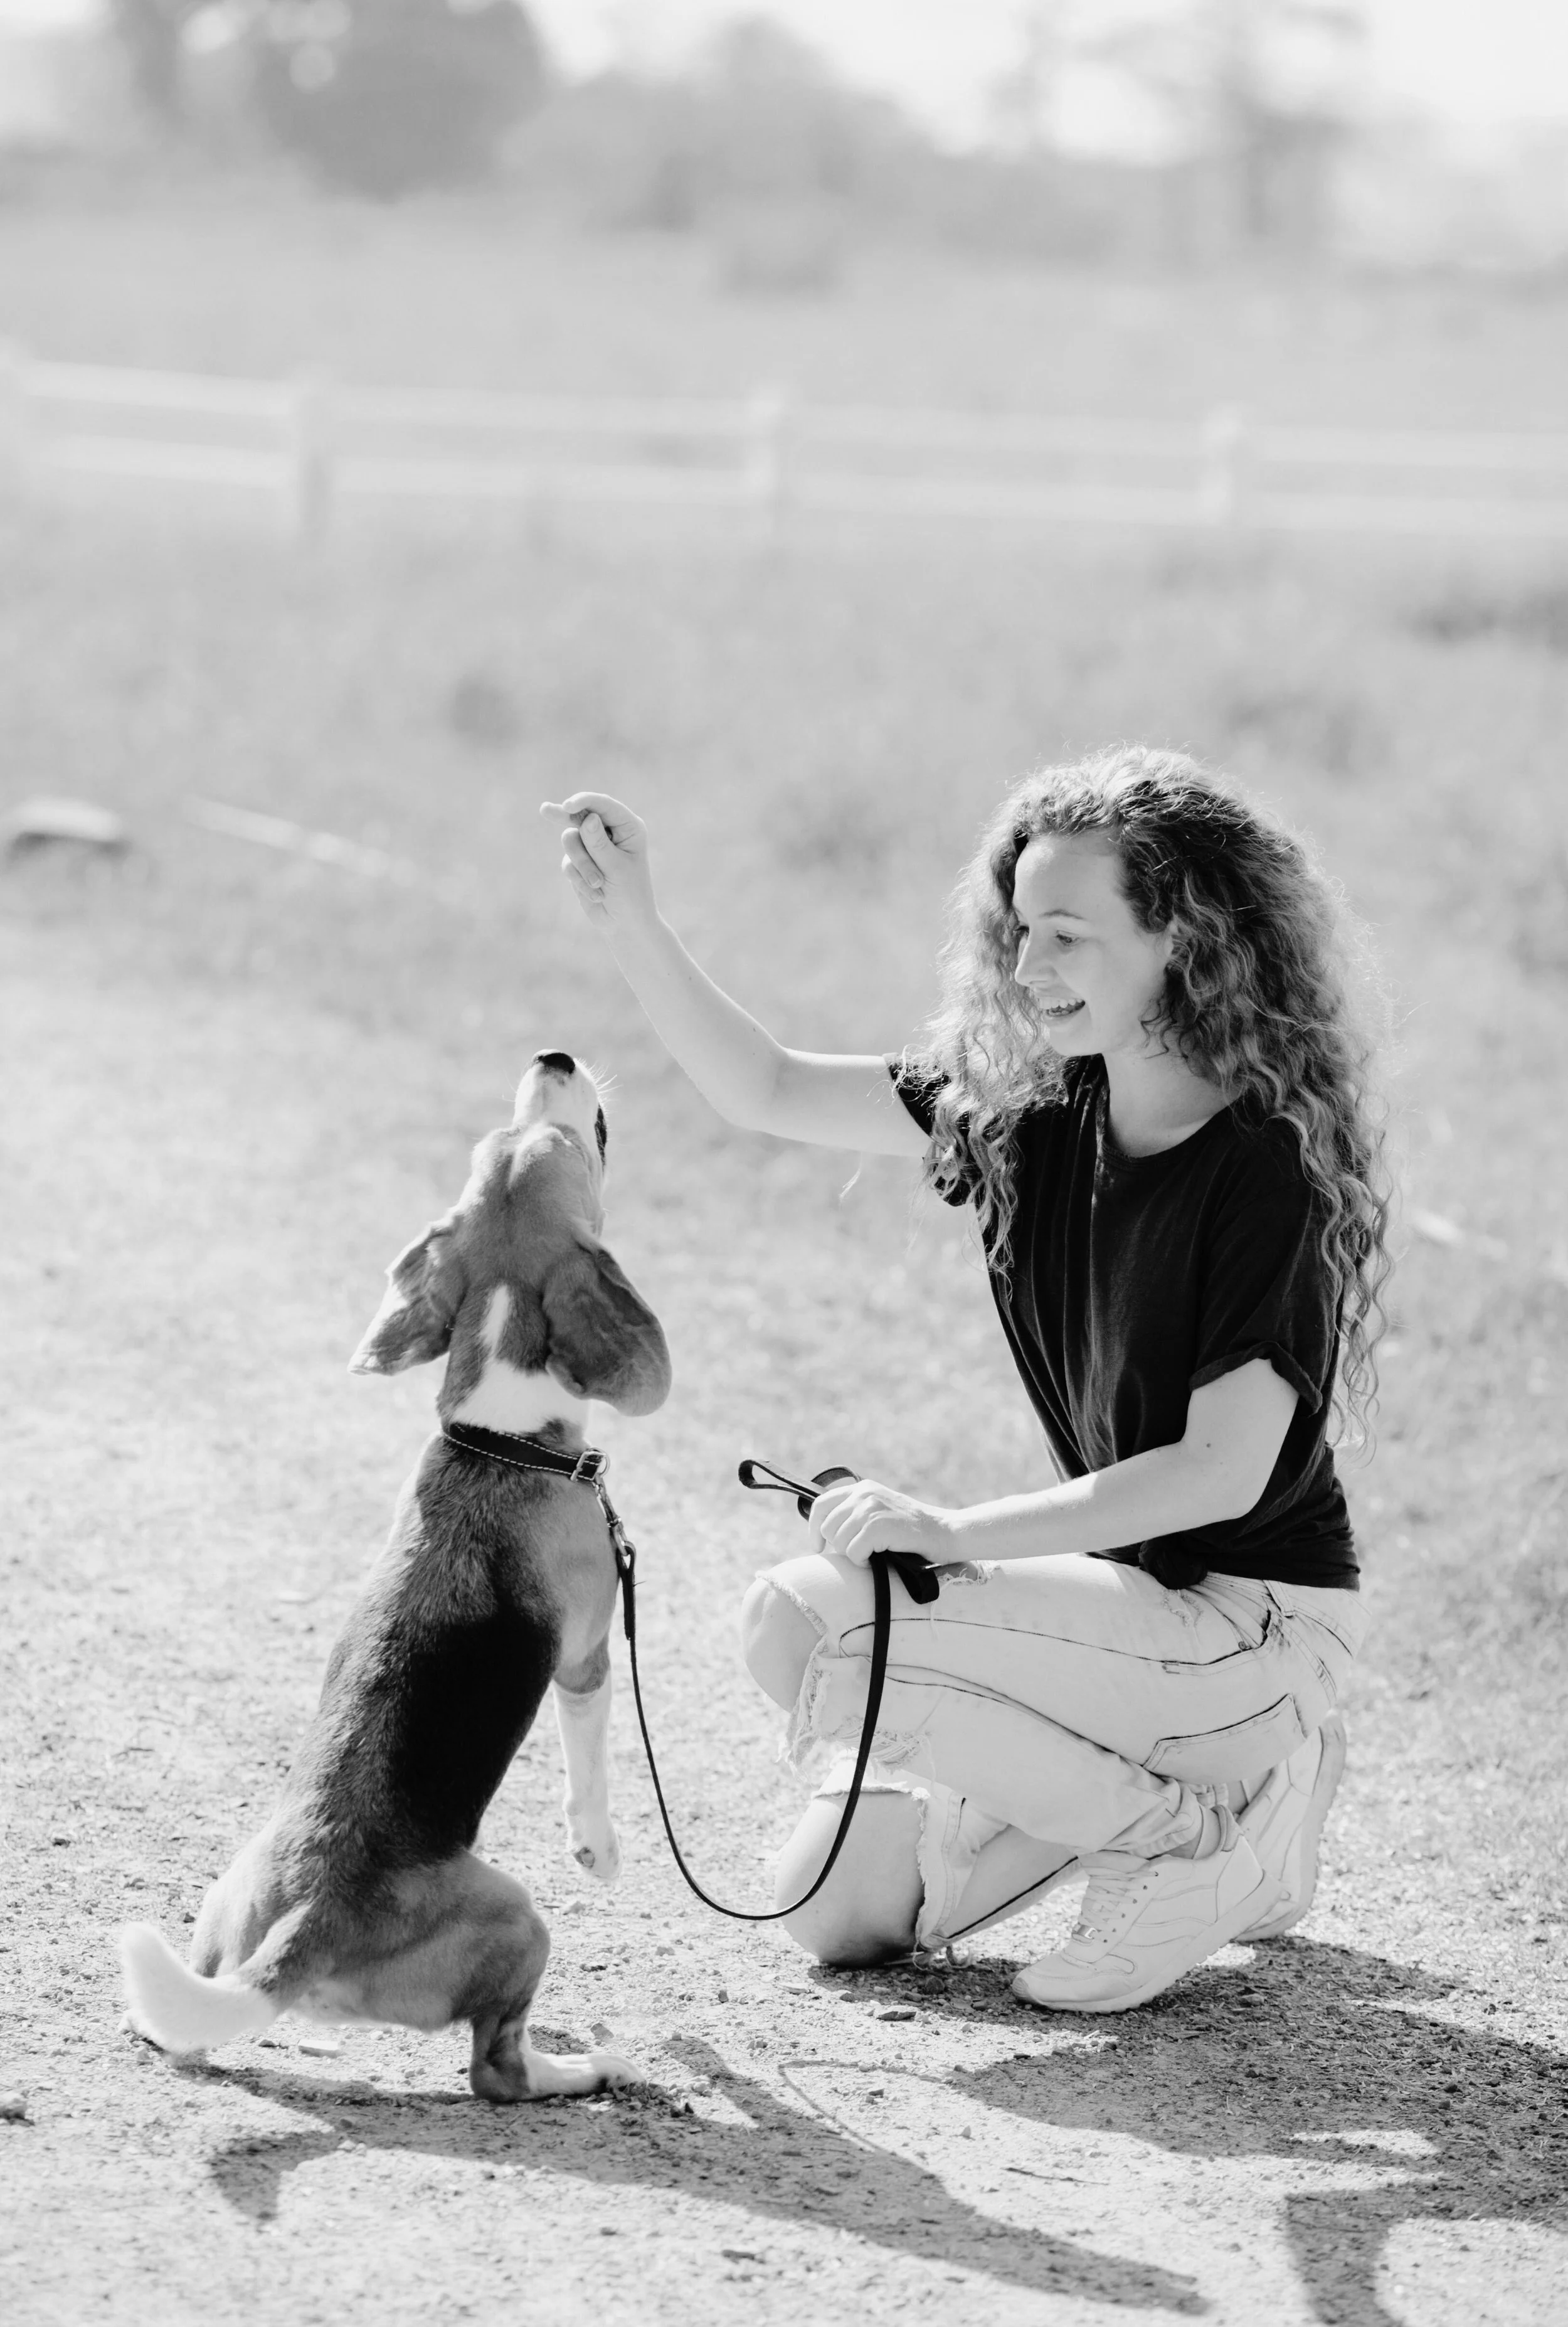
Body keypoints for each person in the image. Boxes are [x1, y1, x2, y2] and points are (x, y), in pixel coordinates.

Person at [541, 747, 1389, 2013]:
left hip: (1252, 1630)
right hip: (1130, 1623)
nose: (1025, 968)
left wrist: (950, 1533)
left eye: (1065, 936)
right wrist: (637, 925)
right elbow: (763, 1086)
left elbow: (1218, 1472)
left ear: (1182, 938)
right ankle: (1235, 1816)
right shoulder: (1028, 1114)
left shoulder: (1260, 1166)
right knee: (832, 1912)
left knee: (801, 1621)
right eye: (1016, 932)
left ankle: (1192, 1840)